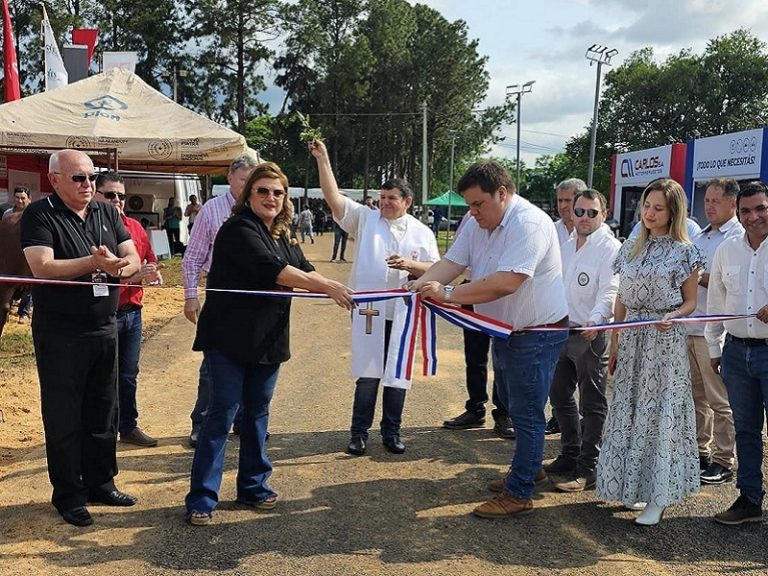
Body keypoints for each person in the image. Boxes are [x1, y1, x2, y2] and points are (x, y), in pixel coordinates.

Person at [184, 162, 354, 526]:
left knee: (258, 413)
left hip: (268, 338)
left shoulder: (283, 231)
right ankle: (202, 497)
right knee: (223, 413)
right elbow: (272, 269)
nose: (271, 198)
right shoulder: (236, 228)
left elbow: (305, 268)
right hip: (228, 338)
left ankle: (253, 486)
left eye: (278, 192)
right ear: (249, 195)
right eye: (263, 191)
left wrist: (343, 288)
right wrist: (329, 288)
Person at [407, 160, 569, 518]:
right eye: (469, 205)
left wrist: (447, 293)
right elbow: (452, 260)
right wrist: (418, 286)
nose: (473, 212)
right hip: (506, 330)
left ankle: (520, 493)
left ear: (502, 193)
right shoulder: (476, 221)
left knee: (526, 412)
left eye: (478, 204)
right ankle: (529, 468)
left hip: (537, 332)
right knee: (514, 402)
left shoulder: (529, 223)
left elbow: (507, 282)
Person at [20, 149, 141, 527]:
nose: (88, 184)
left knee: (104, 408)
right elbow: (42, 267)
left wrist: (124, 268)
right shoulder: (40, 214)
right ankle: (69, 494)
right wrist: (93, 264)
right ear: (55, 180)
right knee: (64, 415)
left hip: (104, 325)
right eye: (78, 178)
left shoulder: (107, 211)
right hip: (61, 332)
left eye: (92, 176)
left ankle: (101, 482)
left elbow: (132, 254)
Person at [310, 140, 439, 456]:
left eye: (391, 198)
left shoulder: (422, 232)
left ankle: (391, 432)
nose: (384, 203)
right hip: (369, 310)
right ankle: (358, 433)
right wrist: (323, 159)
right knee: (368, 374)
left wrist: (410, 265)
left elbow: (437, 268)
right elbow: (334, 198)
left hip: (404, 314)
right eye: (381, 197)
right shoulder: (366, 220)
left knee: (397, 376)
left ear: (407, 201)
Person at [597, 178, 704, 526]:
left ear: (673, 211)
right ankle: (634, 487)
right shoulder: (631, 247)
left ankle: (658, 497)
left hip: (664, 340)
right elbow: (621, 299)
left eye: (658, 208)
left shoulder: (685, 250)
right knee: (629, 411)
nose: (649, 213)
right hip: (631, 339)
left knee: (658, 415)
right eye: (646, 206)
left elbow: (690, 302)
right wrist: (614, 342)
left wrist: (672, 316)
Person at [546, 189, 620, 492]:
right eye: (580, 211)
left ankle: (589, 466)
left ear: (604, 214)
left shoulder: (611, 248)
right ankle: (570, 453)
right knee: (559, 396)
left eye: (592, 212)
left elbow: (610, 289)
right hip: (560, 331)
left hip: (591, 334)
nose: (584, 218)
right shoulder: (563, 244)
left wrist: (598, 318)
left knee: (592, 401)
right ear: (571, 213)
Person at [183, 155, 258, 447]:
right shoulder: (212, 211)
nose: (250, 187)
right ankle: (202, 422)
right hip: (221, 293)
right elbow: (192, 257)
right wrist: (190, 296)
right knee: (215, 363)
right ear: (230, 177)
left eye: (253, 181)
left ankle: (243, 422)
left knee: (253, 360)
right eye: (244, 181)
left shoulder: (262, 210)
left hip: (256, 294)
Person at [706, 181, 768, 526]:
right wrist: (715, 348)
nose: (754, 216)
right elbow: (715, 304)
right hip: (736, 353)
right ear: (738, 212)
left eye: (761, 208)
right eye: (746, 210)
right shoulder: (727, 251)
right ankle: (749, 500)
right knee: (744, 430)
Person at [95, 171, 163, 448]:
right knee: (103, 375)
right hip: (105, 311)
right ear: (96, 194)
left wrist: (154, 273)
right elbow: (98, 277)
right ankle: (103, 429)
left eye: (121, 196)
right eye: (110, 195)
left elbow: (150, 259)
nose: (117, 200)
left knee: (128, 373)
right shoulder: (91, 228)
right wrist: (134, 276)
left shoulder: (134, 227)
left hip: (133, 312)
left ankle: (128, 426)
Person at [687, 178, 742, 484]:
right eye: (707, 200)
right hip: (691, 324)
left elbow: (726, 284)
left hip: (715, 330)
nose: (709, 206)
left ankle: (724, 459)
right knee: (697, 396)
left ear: (732, 204)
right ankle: (701, 451)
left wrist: (697, 277)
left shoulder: (737, 238)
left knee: (720, 399)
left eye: (715, 201)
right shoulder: (703, 236)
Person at [442, 211, 514, 439]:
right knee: (474, 355)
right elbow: (456, 257)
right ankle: (475, 407)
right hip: (471, 288)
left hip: (500, 291)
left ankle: (503, 413)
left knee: (503, 358)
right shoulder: (470, 219)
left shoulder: (513, 221)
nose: (476, 207)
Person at [5, 187, 33, 321]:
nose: (20, 201)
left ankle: (24, 313)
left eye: (23, 198)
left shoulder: (35, 216)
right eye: (17, 198)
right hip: (9, 255)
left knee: (28, 285)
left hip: (28, 253)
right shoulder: (7, 214)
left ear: (29, 199)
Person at [554, 178, 587, 246]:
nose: (562, 206)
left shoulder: (594, 232)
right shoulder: (551, 230)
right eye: (560, 200)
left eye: (568, 200)